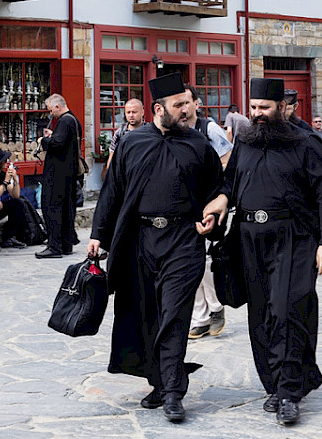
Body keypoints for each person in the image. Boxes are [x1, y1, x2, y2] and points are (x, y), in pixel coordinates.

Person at [207, 77, 322, 426]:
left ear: (281, 108)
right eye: (253, 107)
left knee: (288, 311)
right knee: (261, 316)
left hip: (294, 237)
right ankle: (276, 383)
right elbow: (231, 181)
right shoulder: (245, 141)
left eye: (264, 108)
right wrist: (221, 200)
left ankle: (288, 392)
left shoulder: (305, 143)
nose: (257, 114)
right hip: (249, 237)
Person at [88, 74, 225, 423]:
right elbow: (112, 192)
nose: (186, 110)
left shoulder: (198, 145)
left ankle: (174, 391)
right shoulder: (132, 143)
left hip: (184, 240)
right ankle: (160, 382)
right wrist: (99, 234)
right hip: (141, 240)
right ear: (158, 109)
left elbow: (218, 189)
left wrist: (213, 216)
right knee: (147, 314)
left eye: (188, 103)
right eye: (178, 105)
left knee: (175, 314)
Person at [187, 89, 232, 342]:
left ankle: (215, 307)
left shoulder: (210, 129)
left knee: (205, 259)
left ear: (196, 103)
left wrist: (218, 195)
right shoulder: (175, 131)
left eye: (187, 101)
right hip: (185, 204)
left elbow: (228, 162)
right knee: (188, 260)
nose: (183, 108)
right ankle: (200, 317)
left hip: (209, 202)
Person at [36, 94, 82, 259]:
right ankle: (66, 244)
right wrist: (53, 136)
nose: (50, 114)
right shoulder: (73, 119)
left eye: (51, 110)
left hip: (58, 174)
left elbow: (58, 143)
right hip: (68, 173)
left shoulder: (64, 121)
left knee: (52, 208)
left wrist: (43, 140)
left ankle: (54, 246)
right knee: (66, 209)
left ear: (57, 106)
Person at [104, 98, 145, 174]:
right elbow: (112, 156)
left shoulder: (151, 132)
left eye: (134, 112)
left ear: (142, 112)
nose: (131, 115)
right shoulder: (120, 133)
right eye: (128, 112)